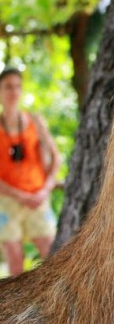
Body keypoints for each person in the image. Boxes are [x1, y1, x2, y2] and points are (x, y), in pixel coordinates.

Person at [0, 67, 60, 276]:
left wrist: (45, 189)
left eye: (17, 86)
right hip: (7, 200)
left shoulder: (35, 121)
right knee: (15, 259)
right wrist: (20, 196)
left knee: (51, 255)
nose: (14, 91)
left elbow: (55, 158)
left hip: (37, 196)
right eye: (8, 87)